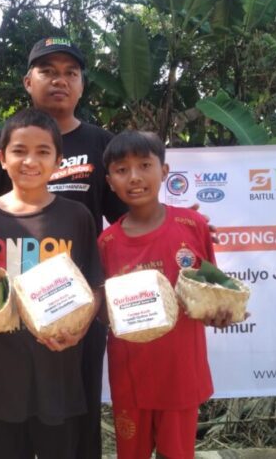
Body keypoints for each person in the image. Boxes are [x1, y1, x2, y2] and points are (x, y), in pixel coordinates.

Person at [0, 36, 124, 458]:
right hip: (10, 335)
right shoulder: (1, 145)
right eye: (48, 71)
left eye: (70, 72)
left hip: (75, 318)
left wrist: (176, 223)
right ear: (28, 81)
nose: (60, 80)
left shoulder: (102, 144)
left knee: (75, 425)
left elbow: (127, 216)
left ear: (82, 84)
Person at [0, 108, 104, 459]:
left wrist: (81, 327)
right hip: (0, 379)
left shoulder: (77, 216)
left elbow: (95, 286)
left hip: (59, 373)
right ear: (2, 158)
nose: (30, 161)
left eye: (43, 151)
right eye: (19, 151)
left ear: (58, 161)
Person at [98, 130, 233, 459]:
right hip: (130, 376)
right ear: (110, 182)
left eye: (145, 165)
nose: (134, 177)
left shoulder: (193, 225)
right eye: (122, 170)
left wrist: (220, 313)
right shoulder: (107, 243)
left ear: (164, 171)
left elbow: (212, 293)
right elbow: (103, 314)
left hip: (180, 374)